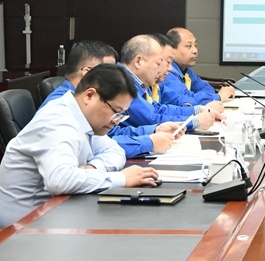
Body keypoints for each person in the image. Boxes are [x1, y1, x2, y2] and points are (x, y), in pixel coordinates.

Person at [0, 64, 161, 228]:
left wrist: (92, 169)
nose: (116, 121)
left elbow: (115, 150)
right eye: (116, 111)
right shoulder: (57, 122)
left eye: (121, 115)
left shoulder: (83, 118)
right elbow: (60, 181)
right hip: (22, 227)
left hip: (55, 213)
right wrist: (122, 178)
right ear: (90, 95)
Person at [39, 39, 185, 157]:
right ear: (87, 73)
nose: (116, 76)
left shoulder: (85, 99)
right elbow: (94, 148)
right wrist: (147, 142)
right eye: (109, 71)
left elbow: (111, 135)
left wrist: (154, 130)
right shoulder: (61, 105)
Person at [117, 35, 220, 132]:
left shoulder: (139, 81)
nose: (164, 69)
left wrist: (197, 110)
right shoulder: (120, 83)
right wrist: (194, 122)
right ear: (138, 61)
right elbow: (151, 119)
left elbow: (157, 109)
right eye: (158, 63)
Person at [161, 27, 236, 107]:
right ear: (171, 49)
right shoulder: (166, 73)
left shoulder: (185, 70)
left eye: (195, 45)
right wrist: (218, 97)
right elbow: (185, 99)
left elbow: (205, 87)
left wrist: (203, 98)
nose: (195, 51)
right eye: (189, 46)